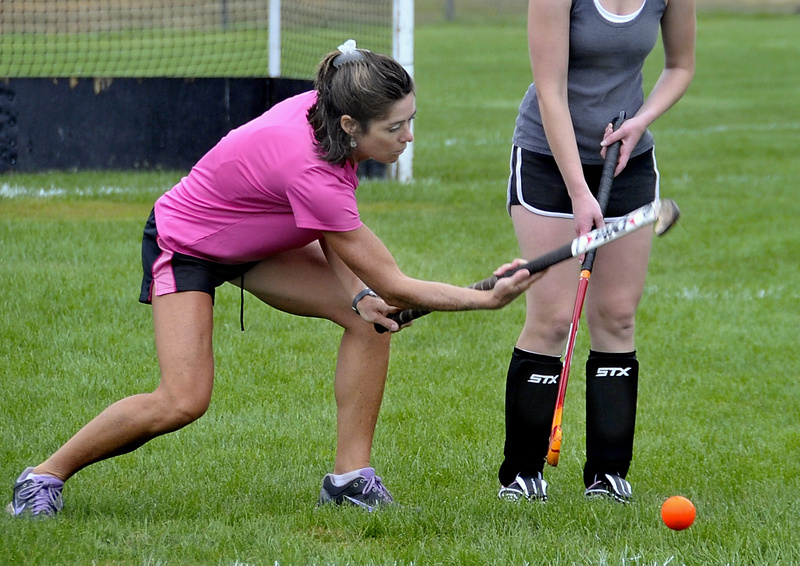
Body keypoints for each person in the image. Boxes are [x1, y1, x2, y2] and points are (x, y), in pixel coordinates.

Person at [7, 40, 537, 519]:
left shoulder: (327, 111)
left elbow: (335, 233)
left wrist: (357, 294)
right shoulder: (311, 165)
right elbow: (394, 283)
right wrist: (480, 300)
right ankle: (42, 477)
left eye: (409, 120)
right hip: (187, 243)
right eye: (395, 128)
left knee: (370, 320)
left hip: (258, 242)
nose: (408, 136)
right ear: (352, 124)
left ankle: (350, 479)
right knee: (183, 399)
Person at [498, 0, 695, 503]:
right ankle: (521, 474)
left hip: (627, 164)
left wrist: (642, 121)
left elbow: (679, 66)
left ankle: (607, 474)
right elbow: (550, 90)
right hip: (550, 162)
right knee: (552, 318)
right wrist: (581, 192)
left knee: (616, 315)